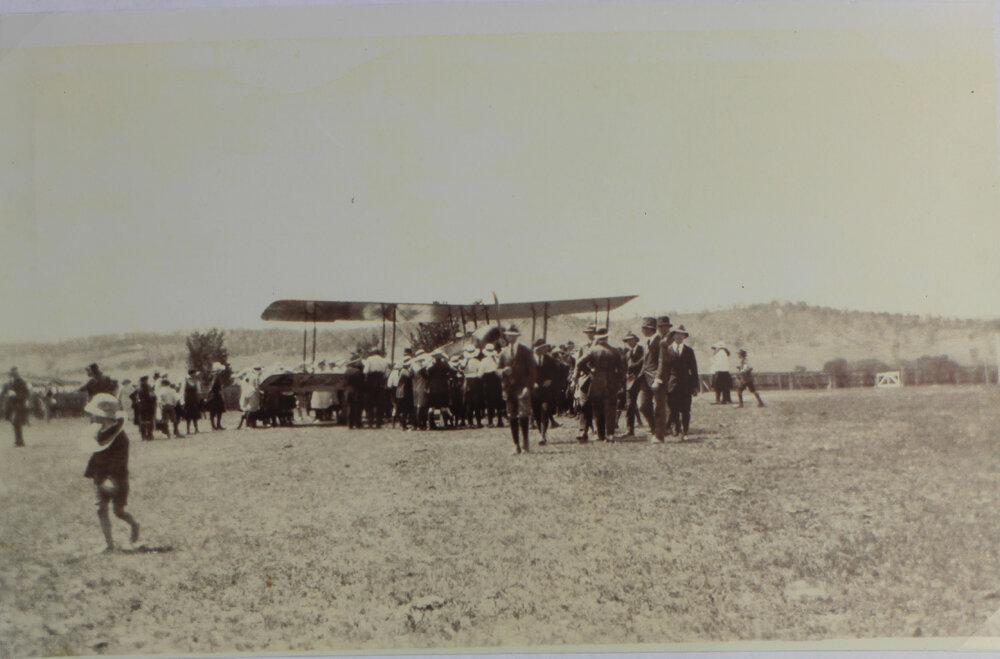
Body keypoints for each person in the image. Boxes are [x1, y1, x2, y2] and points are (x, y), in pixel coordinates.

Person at [80, 393, 140, 553]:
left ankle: (134, 525)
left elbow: (120, 461)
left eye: (94, 413)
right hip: (101, 476)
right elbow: (96, 453)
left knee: (118, 511)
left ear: (102, 415)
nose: (91, 416)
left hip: (117, 477)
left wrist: (111, 479)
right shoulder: (98, 431)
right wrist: (96, 475)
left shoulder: (120, 437)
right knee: (100, 508)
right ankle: (109, 544)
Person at [573, 328, 624, 442]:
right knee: (610, 408)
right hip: (611, 381)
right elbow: (622, 369)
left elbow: (579, 362)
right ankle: (610, 434)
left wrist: (577, 376)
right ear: (606, 338)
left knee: (597, 408)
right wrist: (620, 382)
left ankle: (600, 434)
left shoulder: (592, 350)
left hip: (596, 381)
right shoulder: (615, 351)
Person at [498, 325, 537, 454]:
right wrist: (503, 371)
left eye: (514, 336)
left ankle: (525, 444)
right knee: (512, 416)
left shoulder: (525, 351)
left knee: (523, 414)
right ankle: (516, 445)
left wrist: (528, 387)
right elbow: (498, 370)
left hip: (522, 387)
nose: (511, 338)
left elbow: (532, 371)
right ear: (506, 337)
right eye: (509, 336)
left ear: (517, 336)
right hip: (509, 388)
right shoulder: (503, 352)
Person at [638, 316, 671, 443]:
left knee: (659, 407)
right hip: (645, 379)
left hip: (657, 379)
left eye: (644, 328)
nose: (642, 330)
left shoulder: (660, 342)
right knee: (642, 405)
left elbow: (662, 362)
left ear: (649, 329)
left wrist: (658, 379)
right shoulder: (647, 342)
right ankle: (655, 429)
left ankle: (659, 435)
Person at [665, 325, 698, 440]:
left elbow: (694, 370)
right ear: (673, 336)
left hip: (686, 385)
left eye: (682, 335)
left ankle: (685, 431)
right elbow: (665, 369)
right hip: (672, 385)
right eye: (677, 334)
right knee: (673, 409)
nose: (679, 337)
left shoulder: (689, 351)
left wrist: (695, 386)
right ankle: (676, 428)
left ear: (685, 337)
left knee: (685, 410)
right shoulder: (667, 350)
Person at [531, 339, 561, 445]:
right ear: (537, 349)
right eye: (543, 347)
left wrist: (551, 380)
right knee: (537, 412)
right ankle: (540, 432)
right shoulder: (529, 360)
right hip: (534, 390)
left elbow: (557, 372)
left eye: (546, 347)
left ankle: (543, 435)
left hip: (546, 390)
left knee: (545, 410)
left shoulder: (549, 359)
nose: (546, 349)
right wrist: (531, 382)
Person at [572, 325, 597, 441]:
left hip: (597, 378)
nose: (589, 334)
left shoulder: (599, 346)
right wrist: (575, 378)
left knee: (596, 404)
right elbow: (578, 363)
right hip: (584, 378)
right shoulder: (583, 346)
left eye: (591, 332)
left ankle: (595, 428)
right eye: (587, 332)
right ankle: (583, 430)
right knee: (584, 404)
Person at [622, 330, 645, 437]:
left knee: (644, 405)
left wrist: (631, 369)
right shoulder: (626, 353)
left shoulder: (643, 351)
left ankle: (654, 427)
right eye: (627, 340)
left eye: (631, 340)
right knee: (630, 406)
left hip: (642, 381)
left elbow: (643, 364)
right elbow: (625, 367)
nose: (629, 342)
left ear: (636, 340)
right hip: (630, 382)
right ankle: (630, 430)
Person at [363, 348, 390, 428]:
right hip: (380, 382)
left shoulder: (369, 359)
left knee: (369, 403)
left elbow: (366, 371)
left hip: (371, 382)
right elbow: (386, 374)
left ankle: (370, 422)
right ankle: (379, 422)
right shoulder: (384, 360)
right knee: (380, 404)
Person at [3, 367, 30, 447]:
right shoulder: (10, 382)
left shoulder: (21, 382)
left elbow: (25, 394)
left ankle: (20, 441)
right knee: (15, 423)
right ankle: (18, 441)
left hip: (20, 405)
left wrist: (15, 395)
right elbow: (5, 392)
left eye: (13, 373)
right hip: (12, 405)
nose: (12, 375)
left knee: (16, 422)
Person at [131, 375, 156, 440]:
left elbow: (131, 395)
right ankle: (149, 435)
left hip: (141, 405)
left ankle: (143, 436)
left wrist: (136, 401)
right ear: (146, 380)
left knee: (142, 420)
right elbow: (153, 396)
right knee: (149, 420)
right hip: (149, 405)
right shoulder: (148, 387)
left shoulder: (138, 387)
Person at [206, 363, 227, 429]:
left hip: (215, 395)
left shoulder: (213, 376)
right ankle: (215, 425)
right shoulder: (215, 376)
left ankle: (216, 425)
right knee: (216, 410)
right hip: (215, 395)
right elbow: (212, 386)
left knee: (217, 411)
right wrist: (208, 394)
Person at [182, 370, 201, 434]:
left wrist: (198, 399)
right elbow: (183, 391)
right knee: (188, 415)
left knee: (195, 415)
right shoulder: (185, 381)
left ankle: (196, 429)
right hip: (188, 400)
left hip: (194, 400)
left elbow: (198, 391)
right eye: (194, 374)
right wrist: (183, 401)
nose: (195, 375)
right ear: (191, 374)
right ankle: (188, 430)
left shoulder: (196, 381)